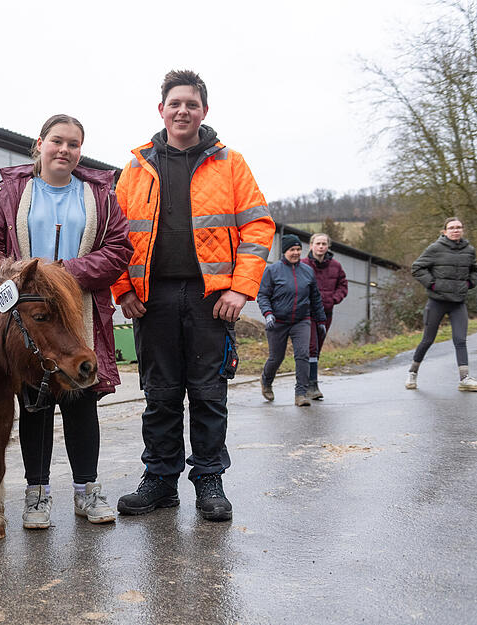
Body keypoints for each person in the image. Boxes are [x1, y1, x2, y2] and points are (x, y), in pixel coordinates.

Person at [112, 70, 275, 522]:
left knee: (208, 395)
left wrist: (241, 289)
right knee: (160, 396)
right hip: (153, 299)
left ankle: (209, 481)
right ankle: (161, 482)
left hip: (211, 300)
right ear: (161, 109)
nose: (183, 110)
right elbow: (115, 234)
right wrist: (122, 289)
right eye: (175, 103)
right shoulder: (136, 167)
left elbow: (259, 228)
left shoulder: (230, 163)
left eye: (192, 104)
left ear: (204, 111)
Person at [0, 113, 133, 528]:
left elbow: (118, 249)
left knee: (81, 405)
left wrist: (66, 273)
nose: (65, 149)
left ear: (81, 150)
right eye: (57, 141)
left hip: (78, 313)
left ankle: (87, 492)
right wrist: (24, 277)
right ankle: (37, 495)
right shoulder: (12, 192)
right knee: (35, 404)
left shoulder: (99, 195)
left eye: (74, 144)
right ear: (39, 143)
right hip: (29, 321)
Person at [407, 217, 477, 391]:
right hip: (437, 302)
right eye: (452, 228)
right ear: (444, 231)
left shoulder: (469, 250)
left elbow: (475, 271)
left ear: (462, 230)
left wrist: (469, 284)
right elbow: (417, 267)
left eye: (459, 227)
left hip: (458, 303)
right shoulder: (435, 248)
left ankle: (464, 378)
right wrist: (433, 284)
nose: (456, 230)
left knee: (460, 340)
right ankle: (412, 373)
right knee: (427, 340)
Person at [258, 234, 326, 406]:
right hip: (278, 322)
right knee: (276, 358)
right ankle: (266, 381)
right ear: (284, 251)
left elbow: (315, 298)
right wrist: (268, 314)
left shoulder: (307, 271)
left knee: (303, 355)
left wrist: (321, 321)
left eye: (298, 249)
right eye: (291, 250)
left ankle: (301, 394)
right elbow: (263, 295)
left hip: (301, 321)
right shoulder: (272, 271)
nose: (295, 253)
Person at [301, 233, 348, 399]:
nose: (321, 247)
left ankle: (307, 381)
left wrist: (333, 299)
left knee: (317, 348)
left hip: (326, 313)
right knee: (311, 347)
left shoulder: (336, 266)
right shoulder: (302, 265)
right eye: (318, 243)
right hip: (307, 313)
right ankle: (311, 386)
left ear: (328, 246)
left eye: (324, 244)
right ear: (311, 245)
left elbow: (343, 286)